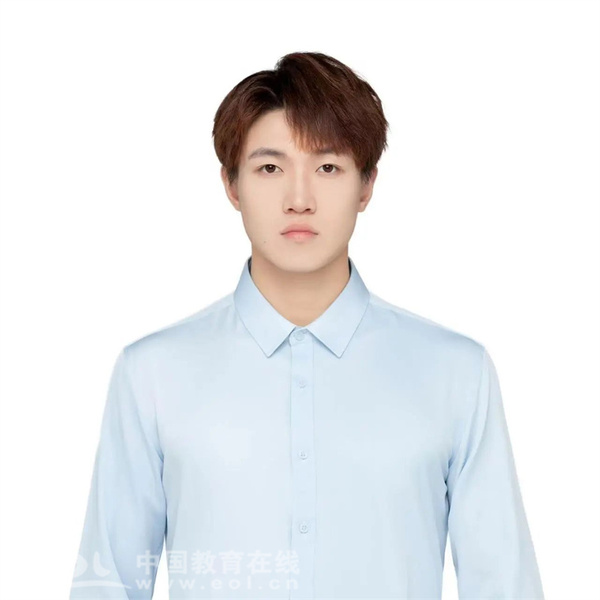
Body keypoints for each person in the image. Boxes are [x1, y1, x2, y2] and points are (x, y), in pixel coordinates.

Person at [69, 51, 544, 599]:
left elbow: (503, 585)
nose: (299, 200)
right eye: (270, 168)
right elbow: (109, 583)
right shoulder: (152, 373)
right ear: (231, 185)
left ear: (366, 185)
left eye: (328, 167)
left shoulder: (455, 373)